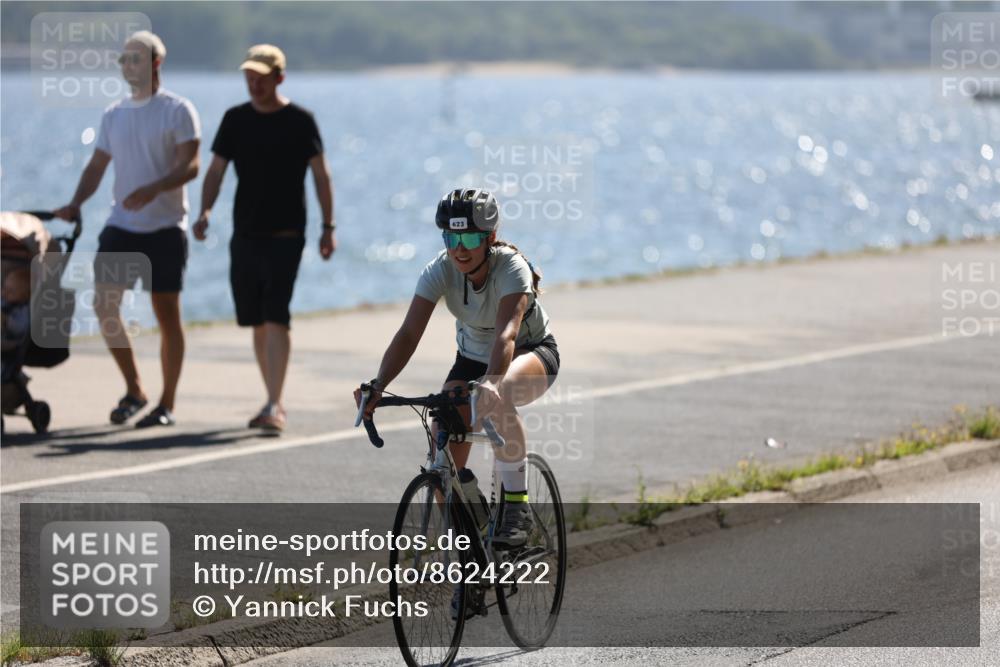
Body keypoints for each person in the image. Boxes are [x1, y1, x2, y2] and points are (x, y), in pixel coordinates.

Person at [355, 188, 560, 552]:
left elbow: (507, 334)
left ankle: (516, 508)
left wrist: (493, 383)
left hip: (528, 352)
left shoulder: (511, 267)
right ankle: (470, 546)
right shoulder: (440, 270)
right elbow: (408, 333)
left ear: (490, 238)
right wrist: (378, 385)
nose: (459, 249)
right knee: (443, 436)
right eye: (452, 237)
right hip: (471, 358)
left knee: (498, 399)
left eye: (468, 237)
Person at [55, 31, 200, 428]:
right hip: (122, 225)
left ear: (155, 63)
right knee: (104, 305)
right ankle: (135, 388)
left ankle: (166, 403)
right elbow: (97, 166)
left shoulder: (178, 110)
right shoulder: (114, 114)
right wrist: (75, 203)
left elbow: (192, 166)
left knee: (166, 314)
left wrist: (155, 188)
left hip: (166, 227)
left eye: (135, 59)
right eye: (123, 60)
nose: (127, 66)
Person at [194, 44, 336, 433]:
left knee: (276, 314)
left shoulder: (300, 120)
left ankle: (275, 403)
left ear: (279, 77)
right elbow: (216, 171)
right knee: (256, 319)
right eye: (249, 78)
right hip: (246, 233)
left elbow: (321, 176)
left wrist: (328, 227)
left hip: (288, 233)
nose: (254, 84)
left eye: (261, 78)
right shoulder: (235, 119)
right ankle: (271, 395)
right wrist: (205, 210)